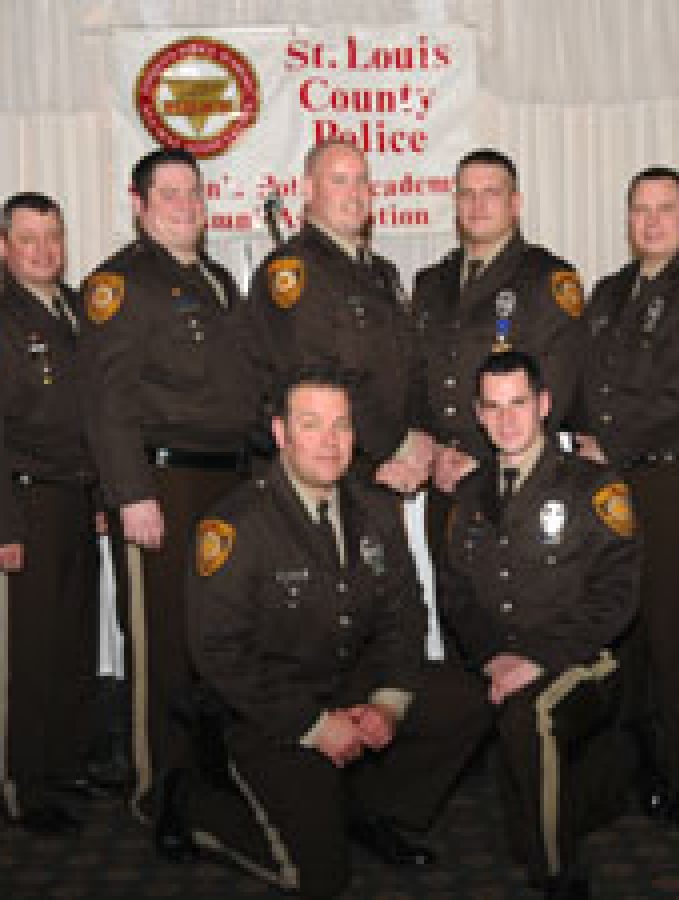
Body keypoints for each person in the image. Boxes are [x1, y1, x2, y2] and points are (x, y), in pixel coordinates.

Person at [169, 368, 489, 897]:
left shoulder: (376, 509)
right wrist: (315, 726)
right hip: (266, 710)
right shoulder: (236, 526)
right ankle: (193, 807)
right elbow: (219, 654)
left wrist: (387, 703)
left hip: (344, 680)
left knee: (466, 702)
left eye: (341, 426)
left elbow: (404, 614)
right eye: (312, 425)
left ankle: (367, 811)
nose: (330, 442)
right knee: (320, 876)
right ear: (281, 434)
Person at [77, 148, 263, 820]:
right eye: (170, 194)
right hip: (161, 483)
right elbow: (106, 401)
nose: (186, 204)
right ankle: (158, 789)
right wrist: (130, 494)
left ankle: (205, 774)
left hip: (224, 483)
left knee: (212, 638)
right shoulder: (122, 283)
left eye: (193, 191)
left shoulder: (214, 278)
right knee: (159, 642)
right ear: (139, 203)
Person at [574, 166, 679, 826]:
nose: (652, 221)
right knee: (625, 629)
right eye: (640, 210)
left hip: (673, 478)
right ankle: (638, 759)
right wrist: (581, 433)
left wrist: (605, 440)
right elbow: (591, 380)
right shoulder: (611, 291)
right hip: (612, 478)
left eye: (665, 209)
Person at [441, 351, 640, 900]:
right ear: (478, 415)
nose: (507, 420)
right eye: (494, 407)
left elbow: (617, 596)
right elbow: (456, 595)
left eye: (519, 404)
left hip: (582, 658)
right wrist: (491, 657)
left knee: (534, 712)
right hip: (498, 657)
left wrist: (536, 659)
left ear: (545, 405)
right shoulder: (468, 494)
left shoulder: (594, 486)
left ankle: (556, 873)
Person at [248, 138, 432, 493]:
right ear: (308, 189)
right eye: (339, 180)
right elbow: (314, 377)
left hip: (379, 470)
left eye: (362, 181)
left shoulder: (382, 273)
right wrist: (396, 444)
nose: (354, 193)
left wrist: (423, 439)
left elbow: (406, 368)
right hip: (326, 472)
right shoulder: (294, 270)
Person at [0, 192, 98, 833]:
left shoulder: (74, 311)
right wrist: (4, 523)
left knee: (71, 642)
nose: (44, 250)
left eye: (53, 236)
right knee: (28, 652)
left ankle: (63, 764)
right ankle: (20, 783)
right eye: (29, 238)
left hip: (74, 498)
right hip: (25, 500)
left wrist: (99, 499)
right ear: (3, 247)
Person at [413, 148, 585, 507]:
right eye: (466, 194)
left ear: (515, 203)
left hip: (514, 480)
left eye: (491, 193)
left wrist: (482, 463)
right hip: (442, 477)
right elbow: (417, 374)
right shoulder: (431, 282)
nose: (477, 205)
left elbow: (555, 389)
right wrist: (431, 448)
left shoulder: (547, 278)